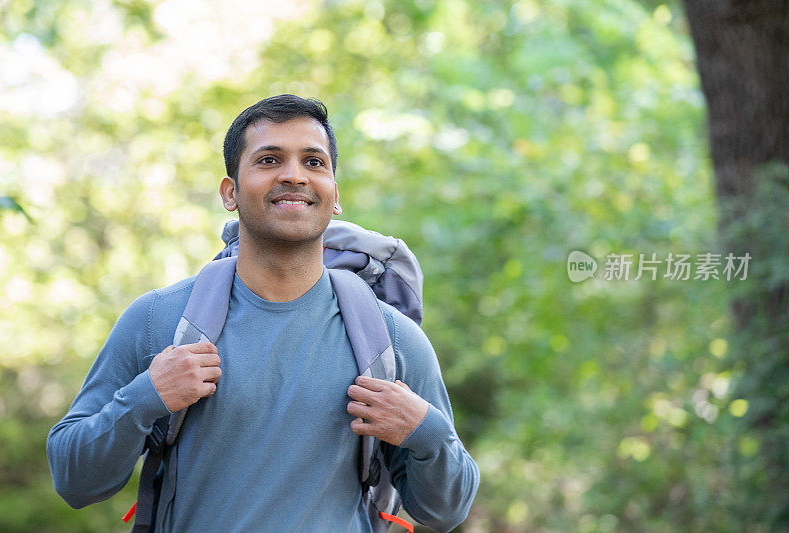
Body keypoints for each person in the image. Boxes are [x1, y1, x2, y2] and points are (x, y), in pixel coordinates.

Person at [47, 94, 480, 532]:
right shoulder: (159, 319)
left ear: (334, 196)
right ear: (230, 192)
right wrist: (144, 397)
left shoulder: (391, 338)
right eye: (269, 159)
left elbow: (446, 512)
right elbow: (74, 481)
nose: (293, 175)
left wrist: (425, 431)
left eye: (314, 163)